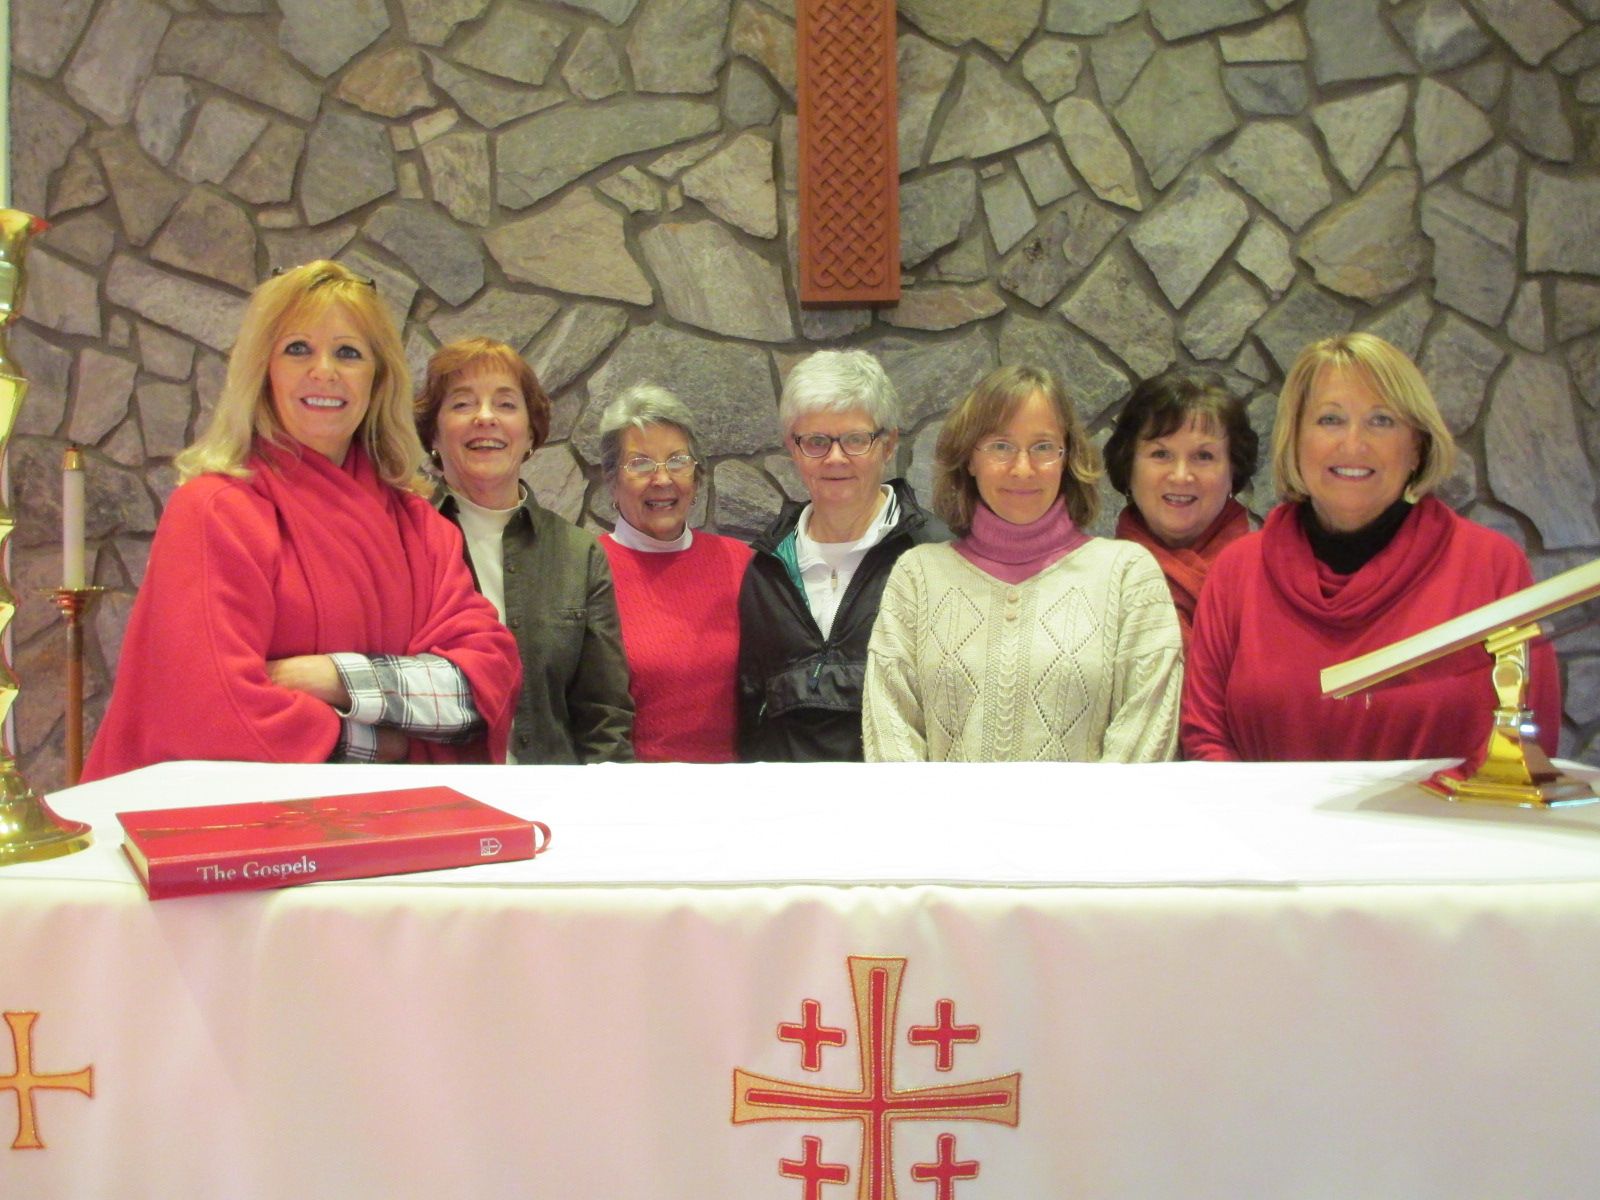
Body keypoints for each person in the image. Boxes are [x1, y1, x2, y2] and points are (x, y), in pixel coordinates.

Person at [83, 262, 519, 779]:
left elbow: (485, 682)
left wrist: (332, 677)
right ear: (263, 371)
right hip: (232, 820)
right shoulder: (216, 512)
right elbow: (213, 715)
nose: (324, 371)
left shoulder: (421, 528)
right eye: (297, 349)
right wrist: (388, 745)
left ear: (378, 379)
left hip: (384, 817)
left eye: (348, 353)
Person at [1183, 332, 1561, 762]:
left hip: (1446, 808)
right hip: (1261, 810)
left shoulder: (1491, 566)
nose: (1353, 444)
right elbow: (1206, 736)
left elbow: (1526, 740)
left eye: (1381, 420)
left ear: (1417, 446)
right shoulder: (1237, 571)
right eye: (1330, 419)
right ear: (1296, 438)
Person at [862, 365, 1182, 762]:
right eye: (1001, 446)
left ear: (1067, 457)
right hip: (939, 808)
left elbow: (1144, 744)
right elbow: (891, 735)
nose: (1023, 468)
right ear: (969, 458)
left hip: (1096, 808)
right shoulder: (918, 577)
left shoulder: (1128, 576)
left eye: (1043, 447)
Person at [416, 337, 633, 764]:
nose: (485, 417)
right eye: (462, 404)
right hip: (439, 792)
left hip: (552, 793)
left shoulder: (577, 554)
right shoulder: (403, 542)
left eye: (505, 404)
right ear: (434, 434)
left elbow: (605, 716)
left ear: (530, 432)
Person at [737, 349, 945, 761]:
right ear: (792, 447)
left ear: (888, 444)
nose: (835, 458)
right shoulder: (766, 569)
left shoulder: (936, 555)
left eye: (855, 440)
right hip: (786, 798)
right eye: (816, 441)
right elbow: (750, 709)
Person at [596, 385, 752, 762]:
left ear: (696, 478)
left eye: (677, 461)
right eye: (641, 463)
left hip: (736, 787)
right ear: (612, 481)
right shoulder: (588, 569)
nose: (663, 479)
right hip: (630, 787)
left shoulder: (741, 563)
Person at [1104, 369, 1259, 649]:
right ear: (1128, 466)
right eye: (1161, 454)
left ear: (1233, 470)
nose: (1180, 476)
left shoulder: (1273, 579)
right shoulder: (1096, 583)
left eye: (1203, 456)